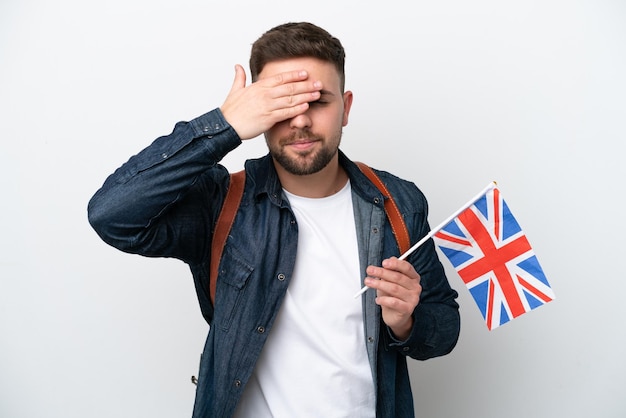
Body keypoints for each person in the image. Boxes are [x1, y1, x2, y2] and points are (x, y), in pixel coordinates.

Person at [88, 21, 460, 418]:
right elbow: (112, 215)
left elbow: (442, 332)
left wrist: (405, 321)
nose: (299, 120)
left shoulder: (397, 202)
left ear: (346, 108)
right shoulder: (222, 202)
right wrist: (223, 126)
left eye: (317, 101)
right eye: (281, 103)